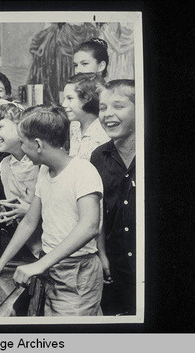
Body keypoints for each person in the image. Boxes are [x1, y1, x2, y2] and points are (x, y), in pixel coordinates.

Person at [0, 105, 104, 316]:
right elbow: (29, 222)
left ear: (38, 144)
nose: (20, 147)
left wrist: (39, 265)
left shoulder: (83, 171)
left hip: (77, 273)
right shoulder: (45, 171)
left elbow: (90, 226)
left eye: (22, 142)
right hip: (51, 269)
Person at [90, 80, 136, 316]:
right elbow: (97, 214)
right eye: (103, 107)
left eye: (118, 106)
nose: (108, 114)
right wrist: (103, 255)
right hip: (114, 267)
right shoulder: (99, 157)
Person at [62, 73, 110, 160]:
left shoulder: (104, 133)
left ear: (87, 98)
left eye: (70, 98)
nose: (63, 104)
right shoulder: (74, 125)